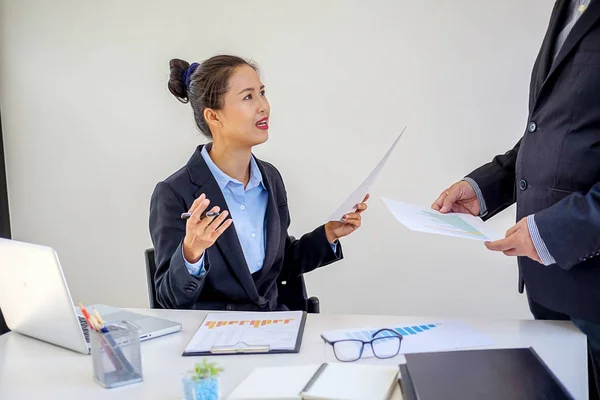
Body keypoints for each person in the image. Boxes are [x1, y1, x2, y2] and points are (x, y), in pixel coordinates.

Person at [432, 0, 600, 396]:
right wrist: (483, 187)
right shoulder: (566, 7)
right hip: (549, 285)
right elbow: (555, 129)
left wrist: (552, 232)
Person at [149, 55, 368, 311]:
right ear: (214, 116)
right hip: (212, 338)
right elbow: (168, 299)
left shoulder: (270, 178)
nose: (263, 106)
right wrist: (191, 252)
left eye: (262, 93)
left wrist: (329, 234)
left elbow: (280, 265)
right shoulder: (175, 192)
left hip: (274, 328)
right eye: (248, 97)